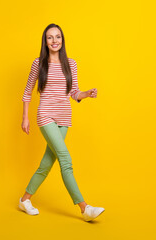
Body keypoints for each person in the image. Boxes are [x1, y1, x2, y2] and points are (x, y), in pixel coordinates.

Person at [19, 23, 105, 222]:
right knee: (66, 160)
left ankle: (25, 200)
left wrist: (87, 94)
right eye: (50, 37)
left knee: (47, 164)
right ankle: (84, 209)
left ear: (62, 40)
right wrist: (25, 117)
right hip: (46, 115)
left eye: (57, 37)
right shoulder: (38, 63)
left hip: (65, 117)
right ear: (45, 41)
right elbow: (27, 92)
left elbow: (74, 92)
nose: (54, 41)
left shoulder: (71, 63)